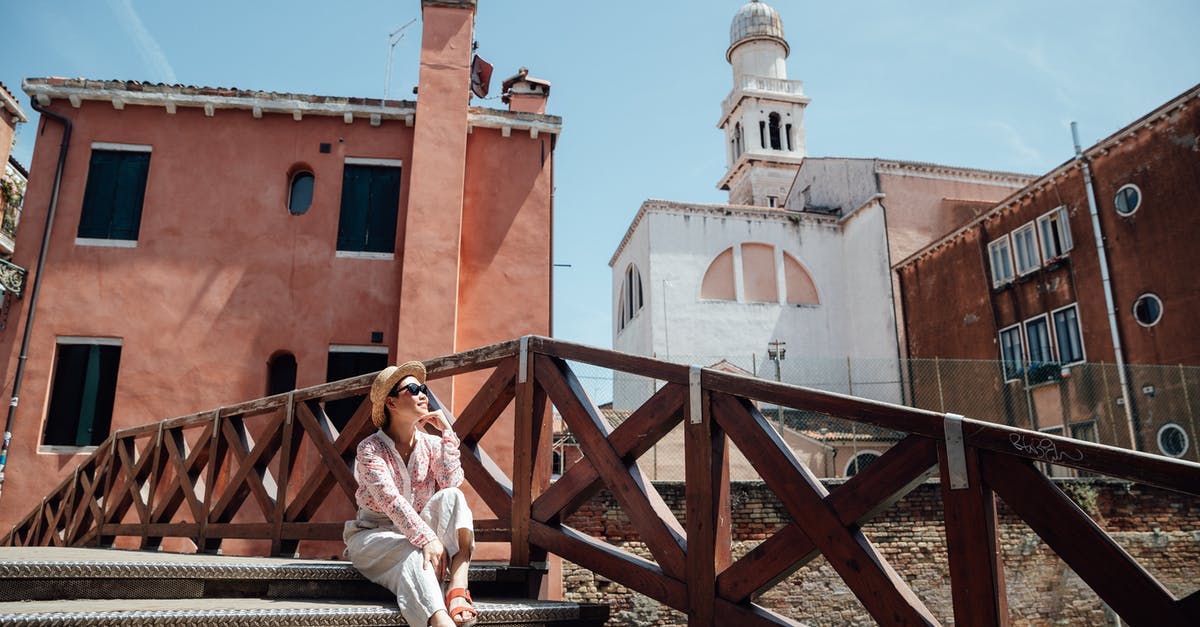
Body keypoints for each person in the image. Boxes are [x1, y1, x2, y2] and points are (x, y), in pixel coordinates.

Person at [343, 361, 477, 627]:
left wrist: (448, 434)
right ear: (391, 403)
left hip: (418, 529)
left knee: (453, 497)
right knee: (414, 550)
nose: (423, 394)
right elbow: (391, 502)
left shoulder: (432, 444)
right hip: (373, 534)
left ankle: (458, 586)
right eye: (413, 389)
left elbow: (452, 482)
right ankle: (439, 621)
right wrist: (427, 538)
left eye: (423, 388)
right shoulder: (369, 449)